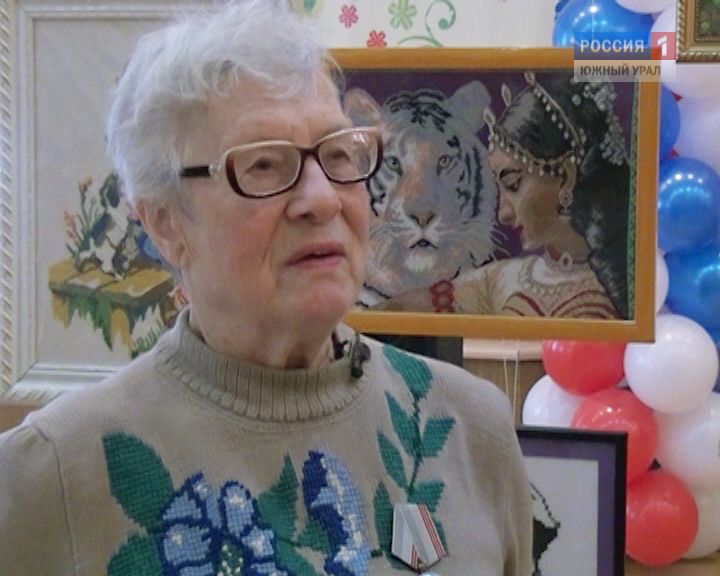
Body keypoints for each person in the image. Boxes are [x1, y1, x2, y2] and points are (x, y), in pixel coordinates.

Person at [0, 2, 532, 575]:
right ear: (165, 224)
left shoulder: (469, 427)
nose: (322, 198)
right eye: (262, 166)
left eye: (339, 154)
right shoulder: (53, 473)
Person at [382, 73, 630, 319]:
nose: (503, 214)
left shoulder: (613, 290)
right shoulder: (507, 277)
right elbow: (395, 313)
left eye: (513, 185)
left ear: (566, 178)